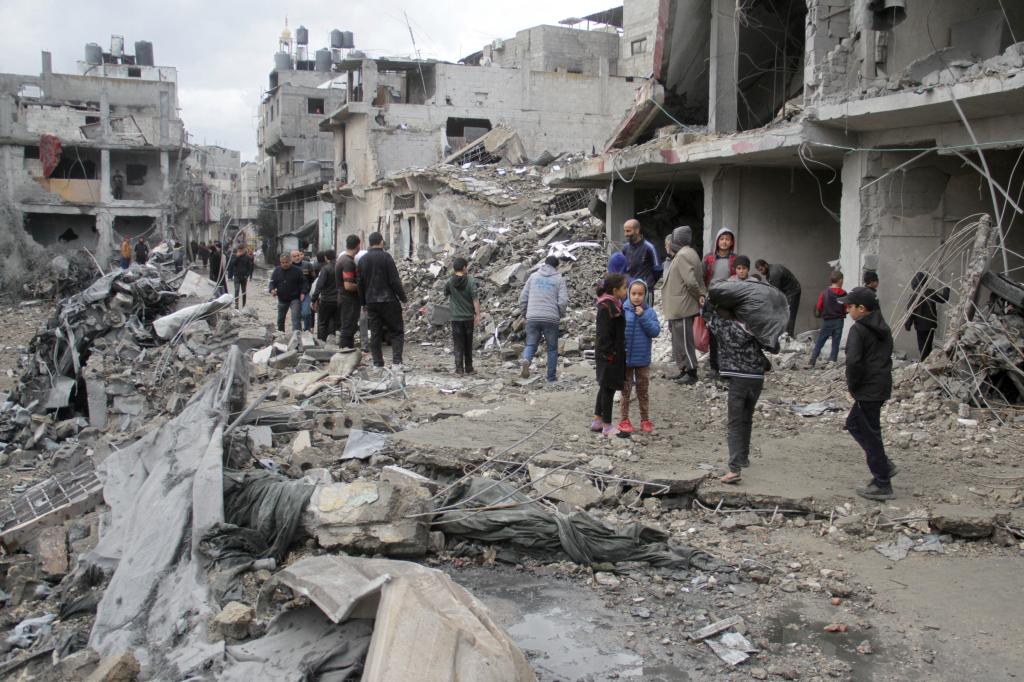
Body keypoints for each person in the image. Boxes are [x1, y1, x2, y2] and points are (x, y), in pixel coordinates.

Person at [702, 290, 769, 485]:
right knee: (747, 418)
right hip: (757, 377)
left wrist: (711, 295)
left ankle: (734, 469)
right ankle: (743, 457)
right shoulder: (755, 326)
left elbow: (706, 313)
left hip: (738, 379)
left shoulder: (724, 327)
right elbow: (773, 345)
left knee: (734, 422)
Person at [839, 286, 897, 501]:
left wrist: (853, 387)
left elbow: (853, 362)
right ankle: (884, 464)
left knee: (870, 433)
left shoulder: (859, 329)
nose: (847, 311)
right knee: (854, 424)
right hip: (880, 386)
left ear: (861, 308)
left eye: (850, 307)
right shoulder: (882, 327)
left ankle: (882, 481)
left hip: (867, 389)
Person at [661, 226, 706, 385]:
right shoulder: (687, 253)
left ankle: (692, 372)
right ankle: (684, 370)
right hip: (680, 307)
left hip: (683, 307)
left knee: (686, 341)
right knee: (680, 340)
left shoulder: (682, 255)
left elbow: (690, 282)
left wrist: (700, 295)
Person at [358, 232, 408, 369]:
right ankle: (397, 362)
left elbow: (360, 283)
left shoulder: (363, 260)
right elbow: (394, 281)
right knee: (396, 331)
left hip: (371, 301)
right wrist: (403, 298)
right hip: (389, 300)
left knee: (375, 332)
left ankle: (377, 364)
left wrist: (363, 303)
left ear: (369, 243)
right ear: (381, 242)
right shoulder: (386, 258)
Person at [518, 255, 569, 382]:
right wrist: (560, 314)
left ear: (544, 264)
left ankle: (527, 360)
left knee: (531, 343)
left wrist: (525, 313)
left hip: (533, 316)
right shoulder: (558, 279)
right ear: (556, 266)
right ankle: (551, 377)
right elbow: (563, 302)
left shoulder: (533, 277)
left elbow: (522, 298)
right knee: (552, 348)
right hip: (551, 318)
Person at [618, 280, 660, 434]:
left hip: (642, 359)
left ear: (645, 295)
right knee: (625, 390)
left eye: (640, 294)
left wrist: (643, 317)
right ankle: (624, 420)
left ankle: (645, 419)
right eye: (633, 293)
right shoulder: (622, 310)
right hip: (626, 359)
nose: (636, 297)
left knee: (643, 390)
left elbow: (655, 331)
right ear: (628, 293)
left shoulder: (649, 312)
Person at [591, 273, 629, 438]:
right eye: (624, 288)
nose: (626, 291)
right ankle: (607, 426)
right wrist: (611, 354)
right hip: (609, 355)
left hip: (609, 354)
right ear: (615, 290)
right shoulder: (608, 307)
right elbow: (604, 335)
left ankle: (597, 420)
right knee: (609, 389)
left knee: (604, 386)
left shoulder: (612, 304)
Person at [703, 227, 737, 379]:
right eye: (722, 238)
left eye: (727, 239)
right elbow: (701, 277)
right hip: (712, 300)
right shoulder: (708, 258)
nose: (724, 242)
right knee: (713, 335)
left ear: (731, 242)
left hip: (729, 302)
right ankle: (714, 368)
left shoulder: (735, 259)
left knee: (727, 335)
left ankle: (727, 368)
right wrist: (703, 295)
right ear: (717, 241)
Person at [444, 256, 481, 375]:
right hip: (468, 318)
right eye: (467, 266)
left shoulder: (450, 282)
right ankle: (469, 368)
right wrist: (477, 314)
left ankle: (459, 369)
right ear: (464, 267)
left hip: (456, 318)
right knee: (468, 343)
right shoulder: (470, 281)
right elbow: (475, 299)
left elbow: (446, 293)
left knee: (458, 343)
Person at [905, 272, 949, 361]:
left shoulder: (913, 296)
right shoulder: (930, 293)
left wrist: (908, 325)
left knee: (922, 347)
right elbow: (944, 299)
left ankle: (923, 363)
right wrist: (947, 288)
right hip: (930, 326)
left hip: (920, 327)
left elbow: (910, 313)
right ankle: (926, 362)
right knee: (928, 347)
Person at [809, 271, 847, 368]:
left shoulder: (825, 293)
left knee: (820, 340)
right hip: (839, 321)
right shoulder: (844, 294)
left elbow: (819, 306)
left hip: (827, 321)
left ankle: (812, 360)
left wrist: (820, 312)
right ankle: (832, 361)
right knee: (836, 342)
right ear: (841, 280)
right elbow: (846, 308)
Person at [755, 259, 802, 338]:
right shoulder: (770, 271)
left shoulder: (774, 273)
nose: (761, 272)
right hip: (787, 291)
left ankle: (788, 337)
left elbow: (776, 294)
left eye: (761, 270)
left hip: (793, 292)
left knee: (789, 315)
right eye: (759, 271)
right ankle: (785, 335)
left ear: (765, 265)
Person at [620, 219, 662, 306]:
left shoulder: (649, 248)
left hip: (645, 291)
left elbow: (658, 268)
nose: (625, 234)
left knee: (645, 317)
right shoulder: (625, 248)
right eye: (624, 231)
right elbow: (622, 268)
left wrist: (648, 283)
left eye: (628, 231)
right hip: (629, 291)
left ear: (637, 230)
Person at [269, 252, 307, 332]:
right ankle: (280, 334)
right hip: (282, 298)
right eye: (282, 262)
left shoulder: (297, 271)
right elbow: (272, 282)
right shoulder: (277, 270)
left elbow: (303, 282)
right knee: (280, 319)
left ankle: (297, 335)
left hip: (295, 298)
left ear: (290, 261)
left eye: (286, 262)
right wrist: (272, 290)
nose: (284, 264)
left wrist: (303, 292)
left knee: (296, 318)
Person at [335, 235, 362, 349]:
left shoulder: (343, 259)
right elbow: (348, 285)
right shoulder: (347, 262)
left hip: (346, 299)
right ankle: (345, 353)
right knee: (348, 328)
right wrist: (362, 287)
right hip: (349, 300)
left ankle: (348, 352)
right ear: (357, 246)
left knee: (349, 327)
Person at [311, 249, 340, 342]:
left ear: (326, 258)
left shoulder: (326, 269)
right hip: (338, 300)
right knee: (333, 322)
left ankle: (322, 342)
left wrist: (314, 299)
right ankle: (331, 342)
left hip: (326, 299)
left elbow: (320, 285)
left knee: (323, 322)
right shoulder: (340, 267)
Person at [226, 244, 254, 309]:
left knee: (243, 291)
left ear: (244, 250)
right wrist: (237, 257)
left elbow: (250, 267)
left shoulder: (247, 257)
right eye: (239, 250)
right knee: (236, 290)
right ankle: (236, 305)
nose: (240, 251)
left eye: (241, 250)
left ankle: (244, 305)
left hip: (244, 277)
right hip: (236, 276)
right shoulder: (235, 256)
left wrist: (247, 275)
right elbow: (232, 264)